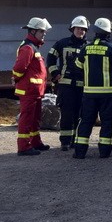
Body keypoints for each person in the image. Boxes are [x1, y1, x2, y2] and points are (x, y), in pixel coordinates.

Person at [71, 18, 112, 159]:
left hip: (89, 93)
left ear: (95, 31)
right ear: (108, 33)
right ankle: (104, 151)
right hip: (108, 94)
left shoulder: (85, 49)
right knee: (108, 122)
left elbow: (77, 68)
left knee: (85, 121)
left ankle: (80, 152)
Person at [46, 16, 89, 151]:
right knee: (67, 113)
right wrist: (55, 73)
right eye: (78, 28)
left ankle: (75, 140)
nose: (80, 31)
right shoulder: (62, 43)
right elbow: (50, 58)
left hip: (82, 86)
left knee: (79, 114)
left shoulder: (89, 46)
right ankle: (65, 141)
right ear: (72, 29)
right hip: (66, 85)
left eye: (83, 29)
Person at [13, 17, 52, 156]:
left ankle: (35, 142)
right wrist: (15, 78)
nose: (44, 34)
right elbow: (19, 68)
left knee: (35, 118)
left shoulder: (33, 46)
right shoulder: (28, 47)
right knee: (27, 118)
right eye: (42, 32)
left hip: (35, 91)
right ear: (33, 31)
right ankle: (23, 147)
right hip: (29, 90)